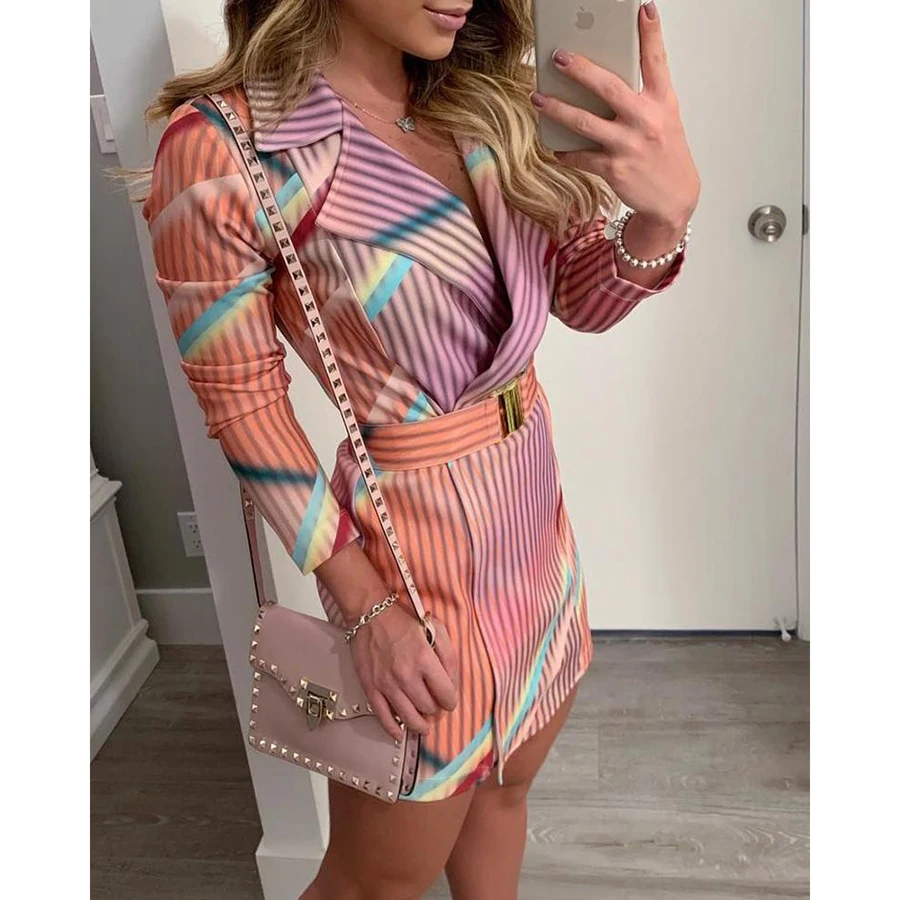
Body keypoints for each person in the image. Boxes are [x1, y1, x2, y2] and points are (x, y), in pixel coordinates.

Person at [139, 1, 699, 897]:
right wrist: (366, 609)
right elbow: (244, 406)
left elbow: (578, 300)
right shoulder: (228, 147)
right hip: (412, 563)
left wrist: (660, 222)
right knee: (378, 878)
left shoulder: (487, 100)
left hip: (533, 522)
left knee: (506, 792)